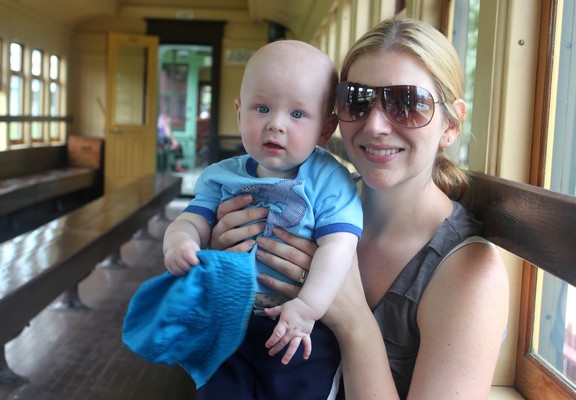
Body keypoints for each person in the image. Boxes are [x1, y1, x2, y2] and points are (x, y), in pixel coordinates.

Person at [210, 19, 510, 399]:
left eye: (407, 104)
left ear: (451, 125)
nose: (376, 125)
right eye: (358, 100)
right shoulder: (301, 205)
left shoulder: (470, 274)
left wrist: (353, 322)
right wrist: (221, 257)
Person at [163, 40, 362, 398]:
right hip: (228, 320)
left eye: (297, 114)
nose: (276, 125)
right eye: (262, 108)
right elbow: (193, 219)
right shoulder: (220, 176)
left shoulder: (329, 179)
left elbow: (339, 245)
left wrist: (308, 306)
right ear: (239, 113)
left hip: (298, 326)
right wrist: (181, 241)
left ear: (325, 128)